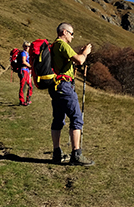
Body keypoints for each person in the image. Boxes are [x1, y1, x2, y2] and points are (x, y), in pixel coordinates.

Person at [49, 22, 94, 166]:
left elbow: (71, 61)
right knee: (76, 118)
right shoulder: (62, 45)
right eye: (72, 33)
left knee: (58, 119)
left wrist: (80, 54)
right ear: (64, 32)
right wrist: (85, 53)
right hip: (64, 86)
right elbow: (80, 61)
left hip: (55, 86)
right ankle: (76, 154)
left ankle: (57, 153)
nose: (73, 37)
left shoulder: (55, 46)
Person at [18, 42, 34, 106]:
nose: (27, 47)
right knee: (23, 86)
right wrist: (30, 66)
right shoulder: (23, 53)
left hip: (27, 71)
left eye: (29, 46)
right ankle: (21, 101)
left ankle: (28, 100)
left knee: (31, 86)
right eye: (26, 46)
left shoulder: (28, 53)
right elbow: (24, 61)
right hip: (23, 70)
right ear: (23, 46)